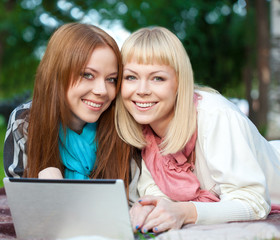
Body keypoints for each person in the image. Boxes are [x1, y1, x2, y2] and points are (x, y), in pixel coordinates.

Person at [115, 26, 280, 234]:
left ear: (179, 83)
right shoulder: (142, 128)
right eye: (131, 77)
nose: (142, 90)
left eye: (158, 78)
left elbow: (253, 202)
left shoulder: (215, 115)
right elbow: (155, 193)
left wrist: (185, 211)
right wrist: (150, 208)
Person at [3, 23, 140, 196]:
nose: (102, 91)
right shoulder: (25, 121)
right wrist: (46, 190)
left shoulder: (122, 122)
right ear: (58, 74)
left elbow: (137, 195)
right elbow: (21, 200)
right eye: (87, 75)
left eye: (111, 79)